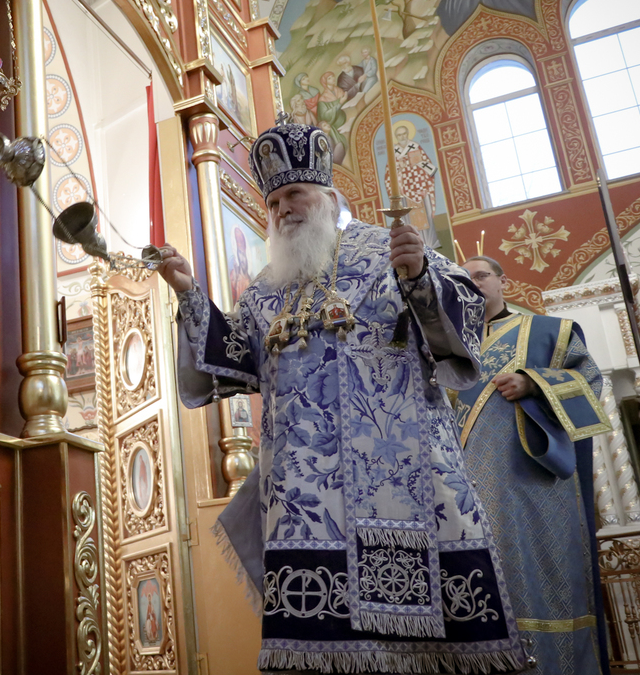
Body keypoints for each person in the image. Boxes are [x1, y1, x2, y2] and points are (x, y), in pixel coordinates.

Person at [156, 119, 528, 673]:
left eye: (294, 194)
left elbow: (463, 325)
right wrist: (189, 293)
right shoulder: (266, 287)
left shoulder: (391, 250)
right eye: (274, 201)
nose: (283, 209)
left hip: (408, 479)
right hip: (303, 501)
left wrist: (418, 277)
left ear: (328, 197)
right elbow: (234, 360)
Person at [457, 256, 611, 675]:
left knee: (541, 571)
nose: (473, 284)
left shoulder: (547, 331)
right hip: (461, 488)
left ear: (503, 282)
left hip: (532, 483)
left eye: (481, 276)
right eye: (463, 280)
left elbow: (590, 383)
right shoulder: (446, 346)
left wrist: (533, 383)